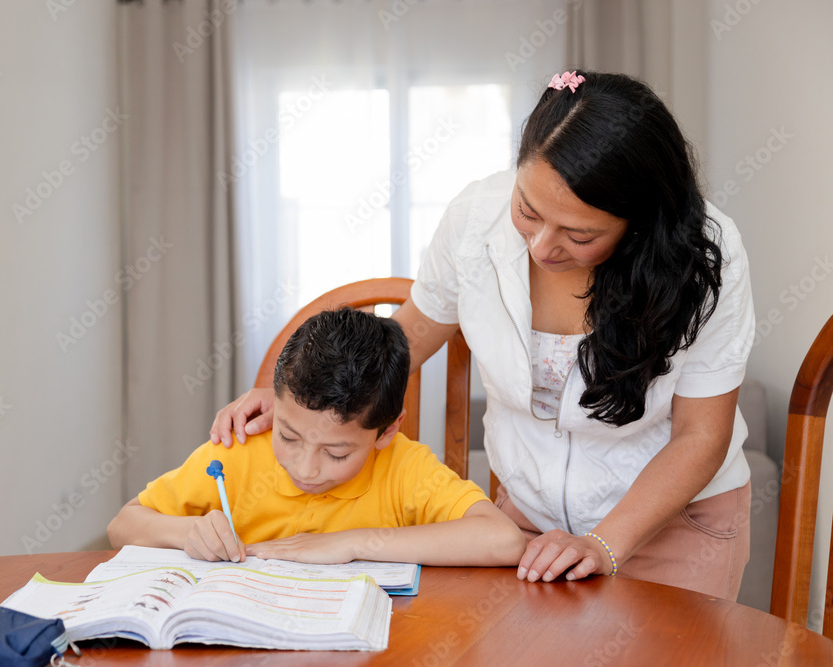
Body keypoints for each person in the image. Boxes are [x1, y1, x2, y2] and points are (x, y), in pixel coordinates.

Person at [209, 71, 755, 600]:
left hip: (673, 525)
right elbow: (410, 337)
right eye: (528, 210)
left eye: (580, 234)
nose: (542, 247)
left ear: (640, 223)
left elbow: (699, 436)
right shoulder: (474, 220)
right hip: (527, 521)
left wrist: (603, 545)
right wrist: (304, 400)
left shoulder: (705, 257)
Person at [109, 307, 526, 566]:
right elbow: (122, 525)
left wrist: (352, 544)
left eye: (337, 452)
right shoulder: (238, 452)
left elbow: (503, 541)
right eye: (289, 437)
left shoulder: (403, 467)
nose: (305, 468)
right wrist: (187, 533)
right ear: (273, 403)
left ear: (387, 430)